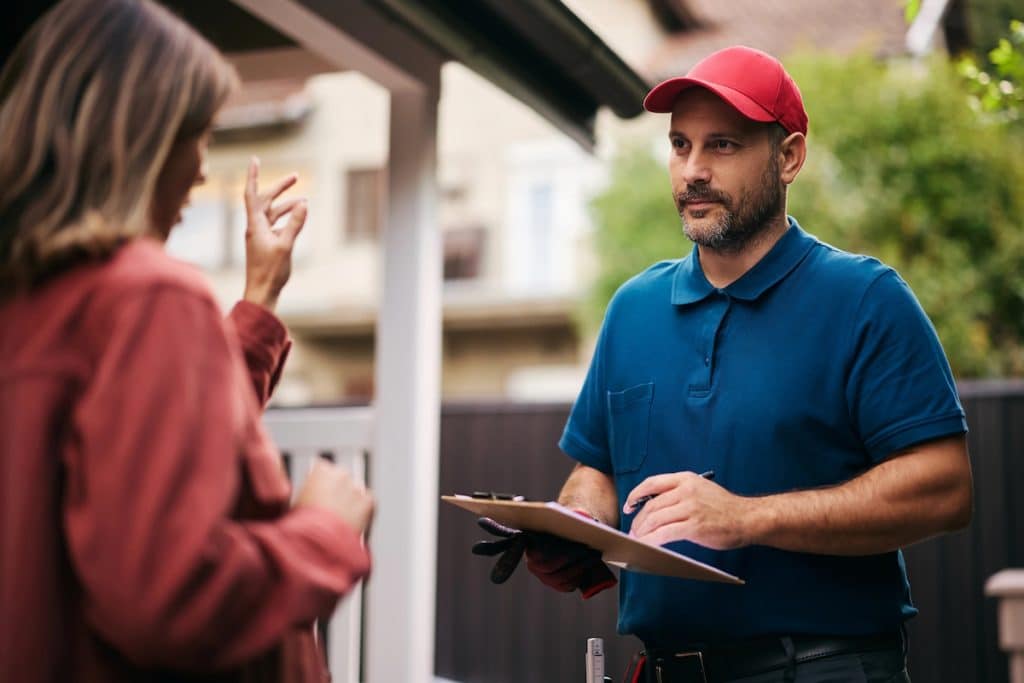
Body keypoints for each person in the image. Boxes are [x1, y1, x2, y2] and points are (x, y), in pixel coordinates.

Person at [531, 46, 972, 682]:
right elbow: (595, 467)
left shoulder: (864, 299)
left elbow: (945, 488)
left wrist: (746, 518)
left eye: (724, 146)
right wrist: (576, 527)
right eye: (680, 145)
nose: (694, 170)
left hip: (822, 667)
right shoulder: (633, 308)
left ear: (789, 156)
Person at [0, 1, 374, 681]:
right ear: (140, 137)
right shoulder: (148, 297)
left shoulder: (31, 305)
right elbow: (167, 595)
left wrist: (259, 297)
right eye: (197, 135)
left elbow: (144, 451)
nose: (202, 172)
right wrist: (322, 533)